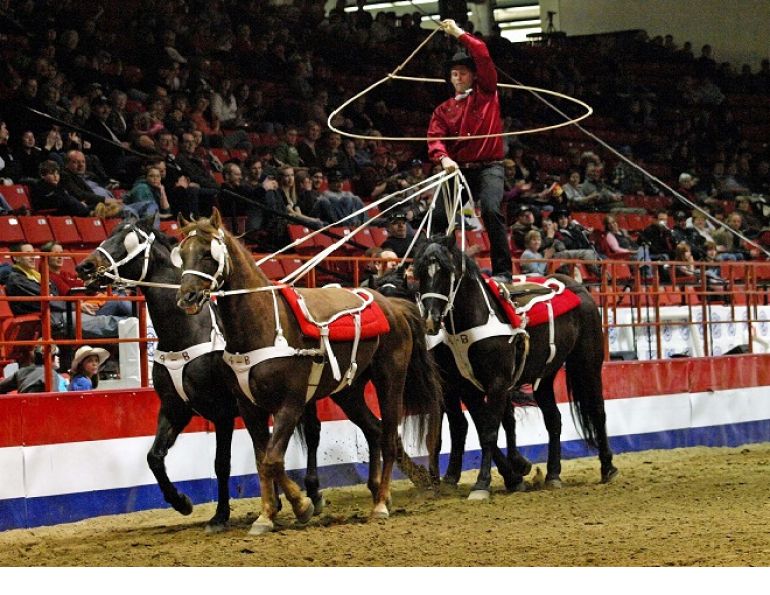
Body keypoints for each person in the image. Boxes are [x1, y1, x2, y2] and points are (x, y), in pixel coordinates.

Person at [426, 19, 512, 282]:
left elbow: (483, 55)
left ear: (474, 75)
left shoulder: (487, 93)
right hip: (457, 169)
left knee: (490, 209)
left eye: (463, 73)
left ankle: (503, 272)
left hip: (489, 167)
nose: (458, 77)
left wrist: (460, 34)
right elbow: (435, 139)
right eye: (454, 74)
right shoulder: (443, 110)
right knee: (439, 216)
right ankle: (442, 266)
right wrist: (444, 158)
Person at [0, 343, 67, 394]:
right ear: (50, 357)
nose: (58, 358)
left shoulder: (21, 372)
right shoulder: (51, 374)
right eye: (56, 355)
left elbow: (1, 387)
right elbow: (54, 398)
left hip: (23, 409)